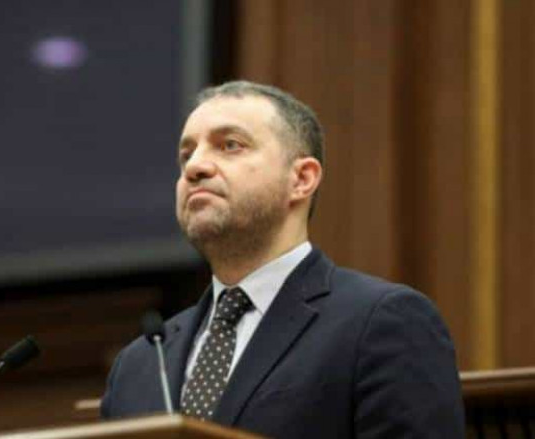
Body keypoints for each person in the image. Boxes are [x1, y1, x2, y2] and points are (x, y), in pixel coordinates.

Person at [100, 81, 465, 438]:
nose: (195, 167)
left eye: (230, 145)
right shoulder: (138, 364)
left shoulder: (381, 322)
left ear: (301, 179)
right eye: (186, 155)